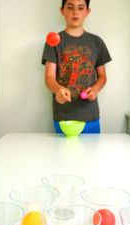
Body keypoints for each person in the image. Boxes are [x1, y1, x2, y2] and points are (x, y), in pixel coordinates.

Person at [42, 0, 112, 134]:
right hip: (63, 116)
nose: (75, 12)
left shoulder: (97, 42)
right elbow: (49, 77)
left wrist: (96, 89)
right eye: (70, 7)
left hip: (90, 115)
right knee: (63, 154)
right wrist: (58, 90)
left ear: (87, 12)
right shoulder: (54, 41)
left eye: (80, 8)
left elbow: (102, 76)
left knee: (92, 154)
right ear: (62, 10)